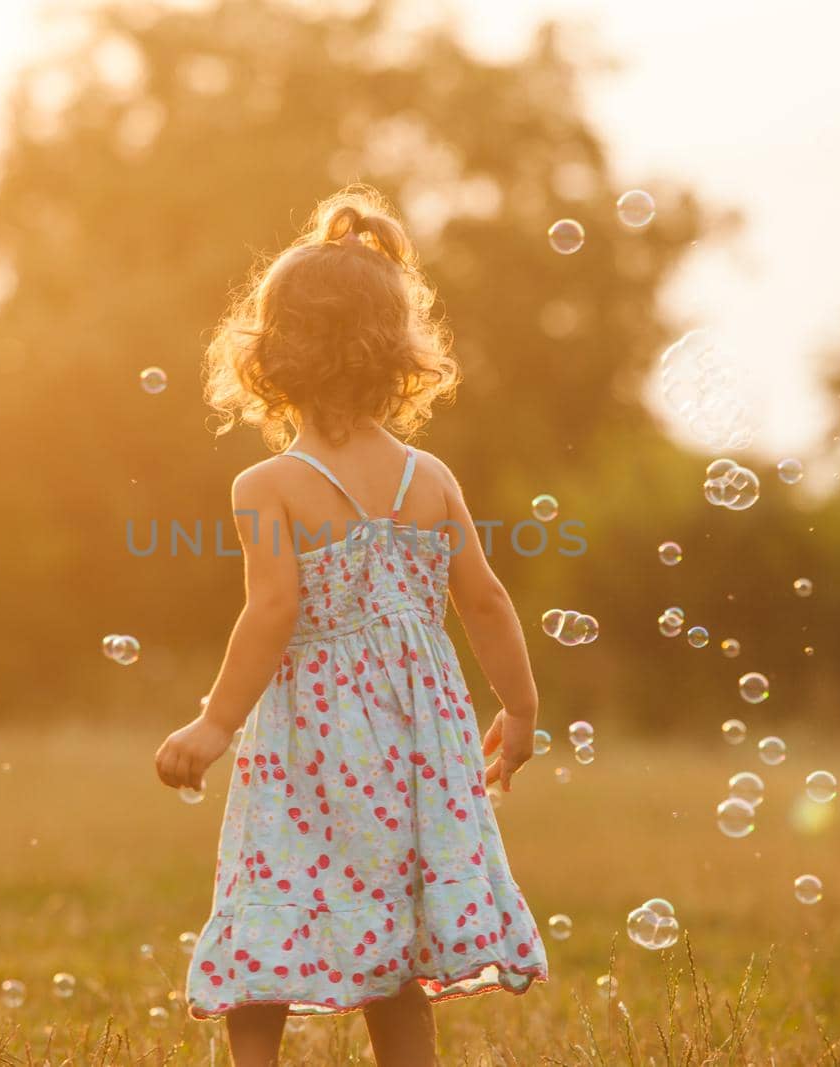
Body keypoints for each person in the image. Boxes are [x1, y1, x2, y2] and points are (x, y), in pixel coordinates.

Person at [154, 185, 546, 1066]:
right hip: (416, 737)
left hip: (313, 738)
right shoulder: (431, 477)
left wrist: (215, 722)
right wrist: (518, 710)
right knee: (396, 935)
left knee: (274, 894)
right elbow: (484, 599)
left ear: (269, 356)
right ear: (397, 353)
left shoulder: (266, 486)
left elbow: (273, 609)